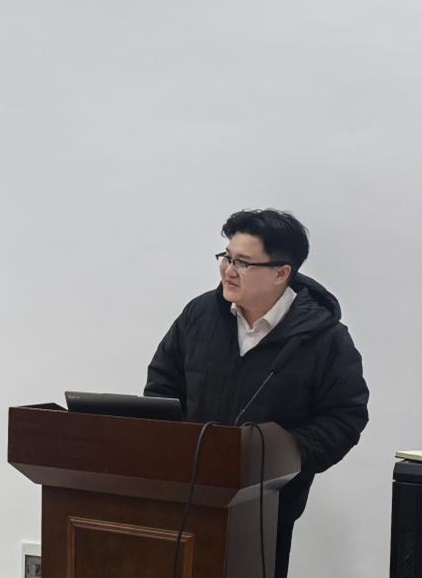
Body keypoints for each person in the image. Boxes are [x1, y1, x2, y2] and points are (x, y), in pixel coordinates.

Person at [145, 209, 369, 578]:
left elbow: (345, 416)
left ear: (282, 273)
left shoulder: (323, 338)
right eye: (227, 257)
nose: (228, 271)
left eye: (243, 263)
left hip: (268, 507)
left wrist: (284, 455)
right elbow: (162, 386)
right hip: (189, 496)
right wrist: (175, 447)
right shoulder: (199, 316)